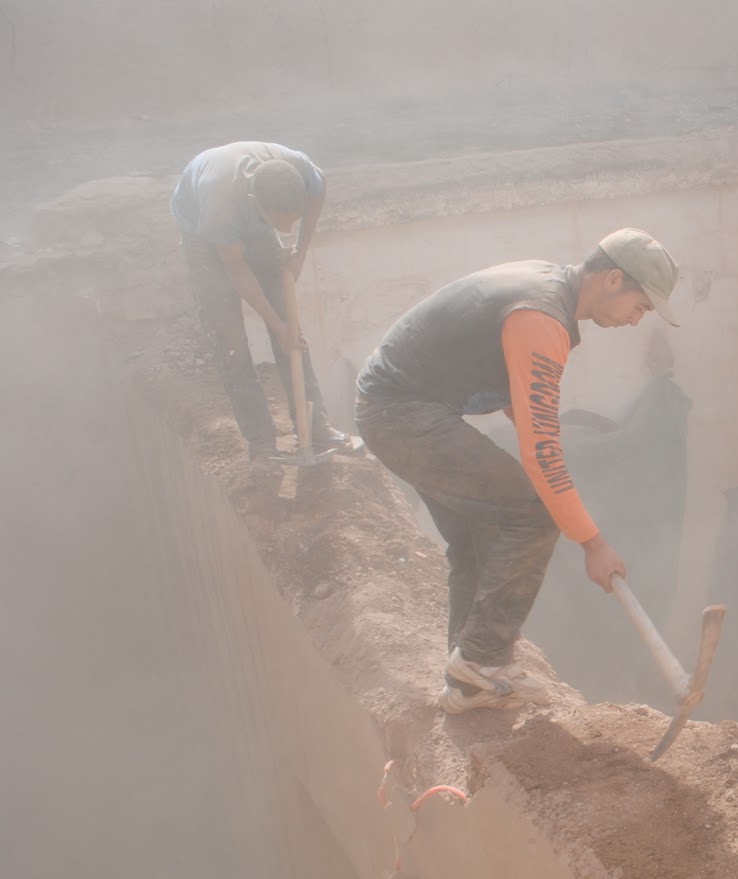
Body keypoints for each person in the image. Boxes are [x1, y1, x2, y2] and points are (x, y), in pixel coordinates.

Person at [354, 229, 681, 713]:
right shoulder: (542, 319)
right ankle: (484, 660)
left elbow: (521, 405)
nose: (636, 322)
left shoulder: (547, 289)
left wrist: (545, 446)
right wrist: (593, 543)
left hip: (395, 409)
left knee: (479, 533)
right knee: (532, 513)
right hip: (403, 413)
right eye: (640, 307)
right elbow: (540, 454)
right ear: (614, 279)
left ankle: (467, 678)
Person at [171, 142, 357, 471]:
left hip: (253, 222)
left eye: (292, 220)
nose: (286, 229)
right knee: (232, 345)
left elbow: (319, 188)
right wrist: (277, 326)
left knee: (291, 330)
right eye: (281, 222)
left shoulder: (297, 167)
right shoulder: (221, 208)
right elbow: (237, 272)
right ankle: (262, 444)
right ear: (257, 203)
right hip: (204, 237)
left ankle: (315, 428)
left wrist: (300, 251)